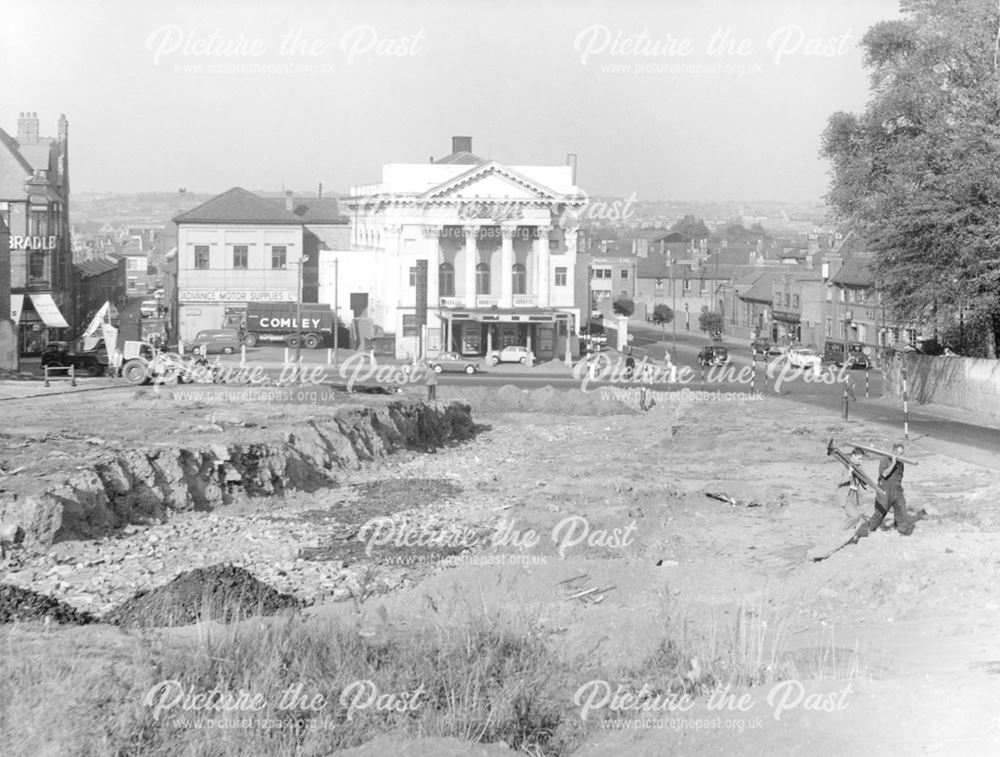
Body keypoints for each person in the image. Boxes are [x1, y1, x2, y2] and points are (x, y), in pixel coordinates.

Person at [869, 441, 916, 535]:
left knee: (901, 509)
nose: (901, 456)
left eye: (902, 454)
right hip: (885, 489)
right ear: (894, 452)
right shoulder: (884, 459)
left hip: (897, 489)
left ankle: (902, 529)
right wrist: (893, 463)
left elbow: (900, 476)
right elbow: (884, 474)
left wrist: (899, 489)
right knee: (881, 511)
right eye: (899, 454)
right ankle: (870, 528)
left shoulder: (901, 463)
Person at [838, 447, 871, 541]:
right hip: (845, 496)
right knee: (855, 516)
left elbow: (864, 482)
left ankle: (849, 538)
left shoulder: (858, 467)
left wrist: (860, 469)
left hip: (854, 497)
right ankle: (839, 533)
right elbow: (836, 480)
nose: (861, 461)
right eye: (859, 458)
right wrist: (849, 475)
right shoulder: (843, 465)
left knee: (853, 519)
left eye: (862, 459)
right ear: (853, 456)